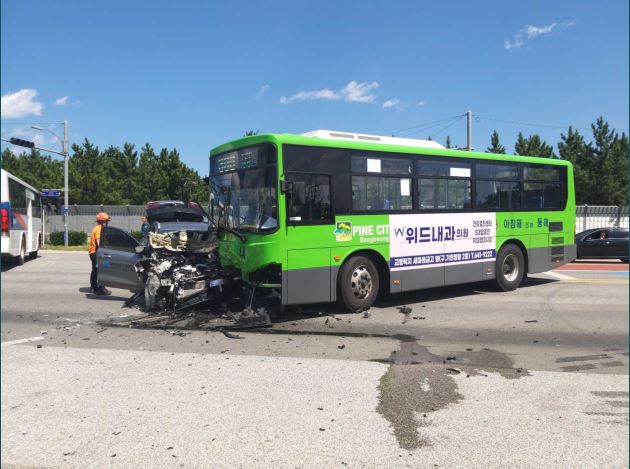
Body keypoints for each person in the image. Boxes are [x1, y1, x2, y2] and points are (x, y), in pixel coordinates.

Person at [89, 212, 111, 295]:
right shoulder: (99, 229)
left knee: (96, 270)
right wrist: (105, 252)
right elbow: (99, 242)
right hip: (96, 253)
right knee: (101, 270)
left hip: (95, 252)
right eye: (106, 221)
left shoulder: (98, 228)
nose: (107, 223)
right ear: (102, 221)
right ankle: (99, 288)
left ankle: (94, 287)